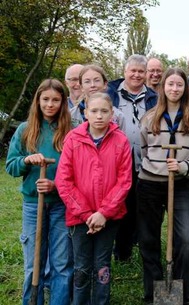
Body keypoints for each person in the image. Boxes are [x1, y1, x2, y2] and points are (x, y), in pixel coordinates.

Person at [137, 68, 189, 304]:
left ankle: (183, 292)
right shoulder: (149, 117)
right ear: (163, 87)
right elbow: (144, 149)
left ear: (185, 88)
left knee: (187, 239)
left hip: (181, 184)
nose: (174, 89)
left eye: (179, 85)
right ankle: (154, 292)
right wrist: (156, 167)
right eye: (170, 84)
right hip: (149, 184)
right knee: (148, 239)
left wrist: (183, 167)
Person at [55, 92, 132, 305]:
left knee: (102, 264)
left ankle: (101, 301)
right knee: (81, 266)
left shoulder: (121, 141)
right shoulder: (73, 139)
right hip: (80, 218)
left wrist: (103, 213)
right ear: (85, 112)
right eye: (94, 111)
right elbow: (64, 180)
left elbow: (124, 181)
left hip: (109, 218)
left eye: (104, 111)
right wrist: (87, 214)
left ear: (112, 114)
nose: (99, 116)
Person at [6, 78, 73, 305]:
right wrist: (26, 159)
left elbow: (78, 169)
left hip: (61, 204)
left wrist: (57, 185)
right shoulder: (26, 130)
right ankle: (32, 301)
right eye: (45, 99)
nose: (50, 104)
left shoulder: (70, 131)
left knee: (61, 263)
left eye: (56, 100)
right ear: (38, 100)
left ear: (63, 102)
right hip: (34, 204)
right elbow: (11, 166)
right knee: (33, 262)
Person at [107, 54, 158, 262]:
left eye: (140, 71)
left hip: (145, 162)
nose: (136, 75)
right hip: (119, 162)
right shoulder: (111, 94)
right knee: (121, 206)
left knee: (142, 208)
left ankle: (144, 249)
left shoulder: (154, 97)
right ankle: (121, 251)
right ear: (125, 71)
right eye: (132, 71)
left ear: (146, 74)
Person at [70, 65, 125, 129]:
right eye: (87, 81)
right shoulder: (71, 115)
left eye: (97, 80)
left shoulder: (118, 116)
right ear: (81, 87)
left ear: (105, 84)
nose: (92, 85)